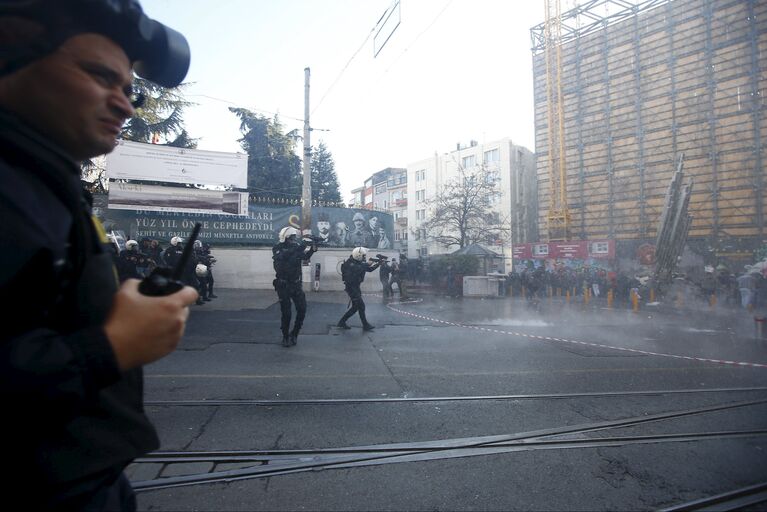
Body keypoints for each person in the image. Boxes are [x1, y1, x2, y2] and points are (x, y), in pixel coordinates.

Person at [0, 1, 197, 509]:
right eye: (99, 76)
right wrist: (111, 345)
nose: (126, 105)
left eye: (130, 89)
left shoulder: (43, 182)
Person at [272, 227, 318, 346]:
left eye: (294, 238)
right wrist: (301, 246)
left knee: (302, 309)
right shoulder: (278, 248)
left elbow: (305, 257)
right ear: (286, 238)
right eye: (292, 238)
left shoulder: (296, 247)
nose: (294, 240)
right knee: (286, 313)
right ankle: (285, 336)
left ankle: (295, 333)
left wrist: (313, 248)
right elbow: (284, 259)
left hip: (295, 284)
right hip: (283, 285)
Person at [337, 247, 381, 330]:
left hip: (355, 287)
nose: (364, 258)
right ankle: (365, 325)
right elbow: (359, 268)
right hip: (351, 288)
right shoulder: (350, 264)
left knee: (355, 307)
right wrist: (367, 264)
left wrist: (378, 264)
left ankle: (342, 322)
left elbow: (369, 269)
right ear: (358, 255)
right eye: (363, 256)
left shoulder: (357, 262)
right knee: (361, 306)